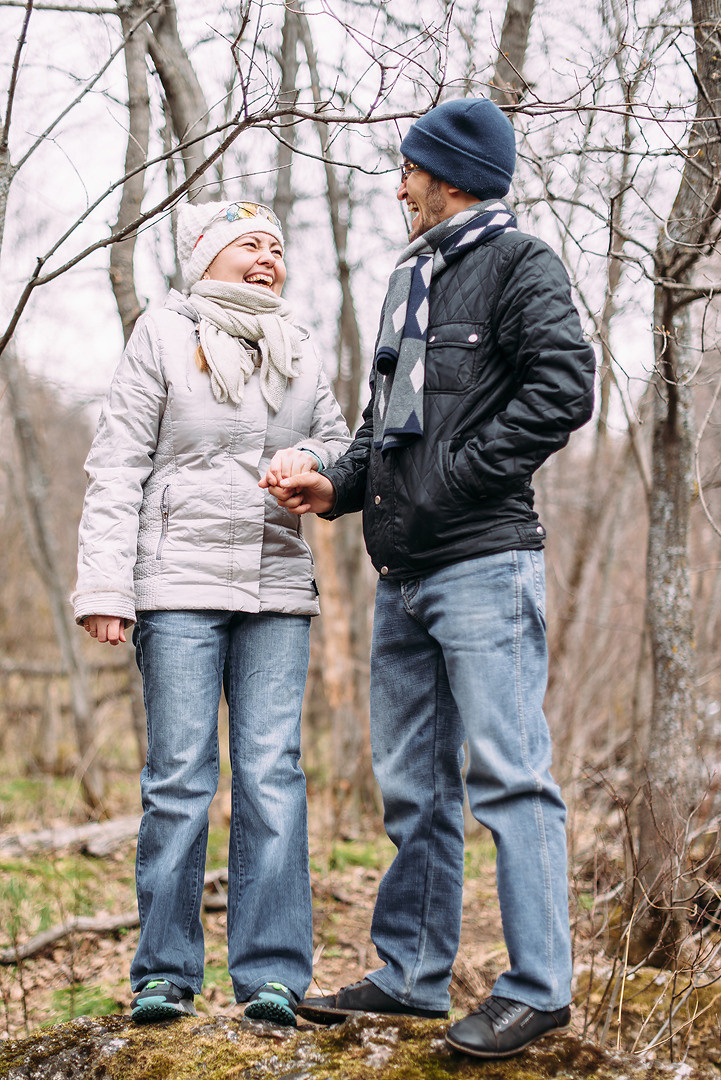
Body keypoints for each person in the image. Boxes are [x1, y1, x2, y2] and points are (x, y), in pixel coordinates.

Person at [267, 98, 596, 1059]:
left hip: (486, 564)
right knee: (413, 786)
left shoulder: (519, 263)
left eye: (409, 169)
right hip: (403, 571)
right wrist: (336, 487)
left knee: (510, 778)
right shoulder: (409, 279)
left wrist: (454, 479)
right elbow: (385, 425)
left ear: (447, 174)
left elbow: (562, 388)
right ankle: (410, 976)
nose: (398, 183)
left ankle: (539, 986)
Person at [72, 199, 350, 1027]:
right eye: (246, 245)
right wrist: (104, 588)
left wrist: (318, 470)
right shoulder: (161, 334)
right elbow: (117, 464)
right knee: (179, 779)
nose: (267, 257)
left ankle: (271, 974)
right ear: (206, 258)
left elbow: (341, 449)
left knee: (272, 775)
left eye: (274, 245)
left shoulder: (300, 349)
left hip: (274, 588)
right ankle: (163, 971)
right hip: (176, 587)